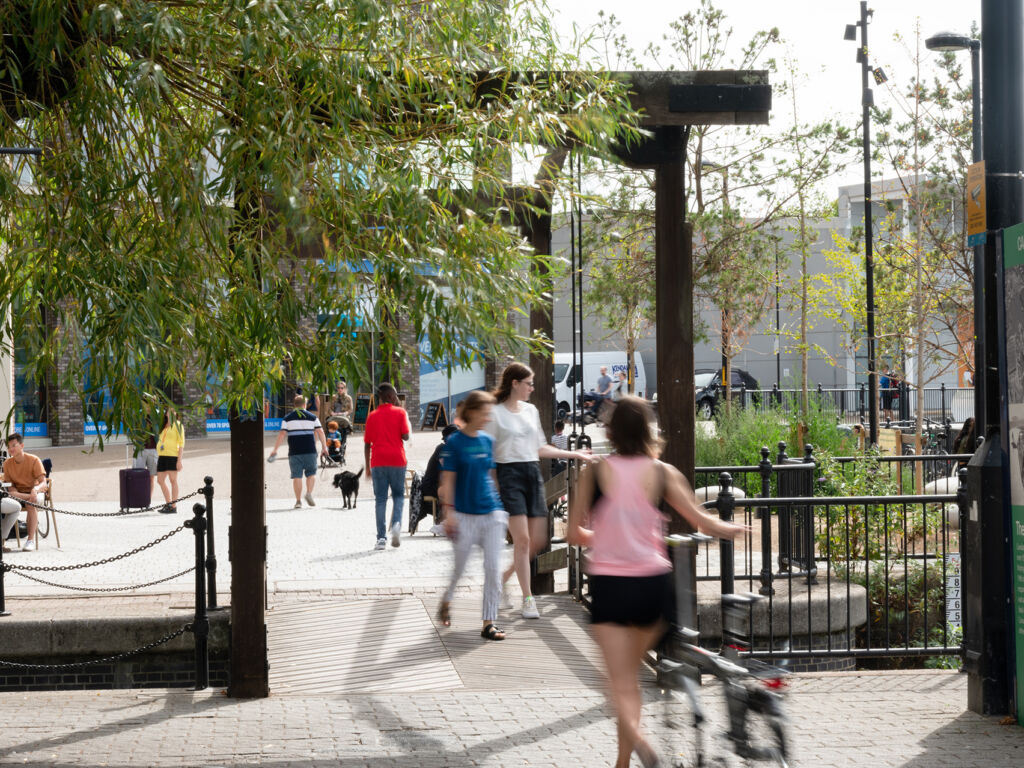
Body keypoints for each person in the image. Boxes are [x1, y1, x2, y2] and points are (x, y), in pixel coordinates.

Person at [566, 396, 746, 768]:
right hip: (654, 587)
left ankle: (644, 746)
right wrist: (731, 528)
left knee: (619, 686)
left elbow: (573, 533)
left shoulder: (595, 472)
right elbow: (703, 521)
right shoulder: (662, 472)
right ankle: (622, 764)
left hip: (611, 586)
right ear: (648, 430)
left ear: (611, 431)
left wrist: (606, 536)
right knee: (629, 681)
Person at [486, 362, 593, 619]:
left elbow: (540, 448)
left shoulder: (531, 411)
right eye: (528, 383)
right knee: (522, 540)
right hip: (508, 474)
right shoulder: (495, 413)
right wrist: (494, 488)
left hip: (532, 473)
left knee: (539, 540)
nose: (532, 388)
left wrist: (572, 453)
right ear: (515, 383)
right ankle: (528, 598)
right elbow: (489, 455)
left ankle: (503, 578)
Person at [437, 390, 508, 641]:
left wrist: (499, 508)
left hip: (491, 513)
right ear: (474, 412)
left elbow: (491, 477)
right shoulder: (455, 443)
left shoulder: (488, 441)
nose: (489, 417)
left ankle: (489, 622)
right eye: (486, 412)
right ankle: (447, 599)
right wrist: (450, 514)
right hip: (464, 515)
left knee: (492, 567)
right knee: (460, 569)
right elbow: (448, 480)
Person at [364, 383, 411, 550]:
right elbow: (405, 437)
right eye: (396, 395)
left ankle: (381, 538)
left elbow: (367, 444)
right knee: (398, 496)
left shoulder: (372, 415)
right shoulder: (400, 412)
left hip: (378, 461)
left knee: (380, 500)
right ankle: (396, 524)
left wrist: (368, 467)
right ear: (391, 397)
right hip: (397, 460)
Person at [268, 394, 329, 509]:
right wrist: (324, 447)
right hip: (310, 450)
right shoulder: (312, 417)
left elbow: (282, 434)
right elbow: (320, 432)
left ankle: (298, 501)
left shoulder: (287, 418)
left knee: (297, 476)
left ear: (294, 405)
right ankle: (309, 493)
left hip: (294, 452)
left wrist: (275, 450)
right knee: (311, 474)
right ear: (305, 405)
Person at [0, 433, 47, 551]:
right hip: (19, 494)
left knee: (31, 502)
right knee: (7, 502)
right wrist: (26, 495)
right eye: (9, 447)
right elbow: (11, 489)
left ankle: (30, 540)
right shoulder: (7, 464)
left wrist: (34, 490)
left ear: (22, 445)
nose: (11, 449)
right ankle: (2, 542)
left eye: (14, 445)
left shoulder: (34, 460)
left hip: (36, 493)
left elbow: (43, 483)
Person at [420, 424, 459, 533]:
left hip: (440, 484)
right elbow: (446, 471)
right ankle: (446, 521)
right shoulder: (442, 448)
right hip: (431, 486)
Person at [155, 408, 185, 514]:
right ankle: (168, 504)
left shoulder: (178, 425)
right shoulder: (163, 426)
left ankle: (173, 506)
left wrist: (179, 461)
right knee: (160, 481)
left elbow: (181, 444)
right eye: (169, 411)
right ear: (166, 413)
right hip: (162, 456)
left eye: (174, 411)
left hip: (173, 456)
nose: (171, 413)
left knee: (173, 480)